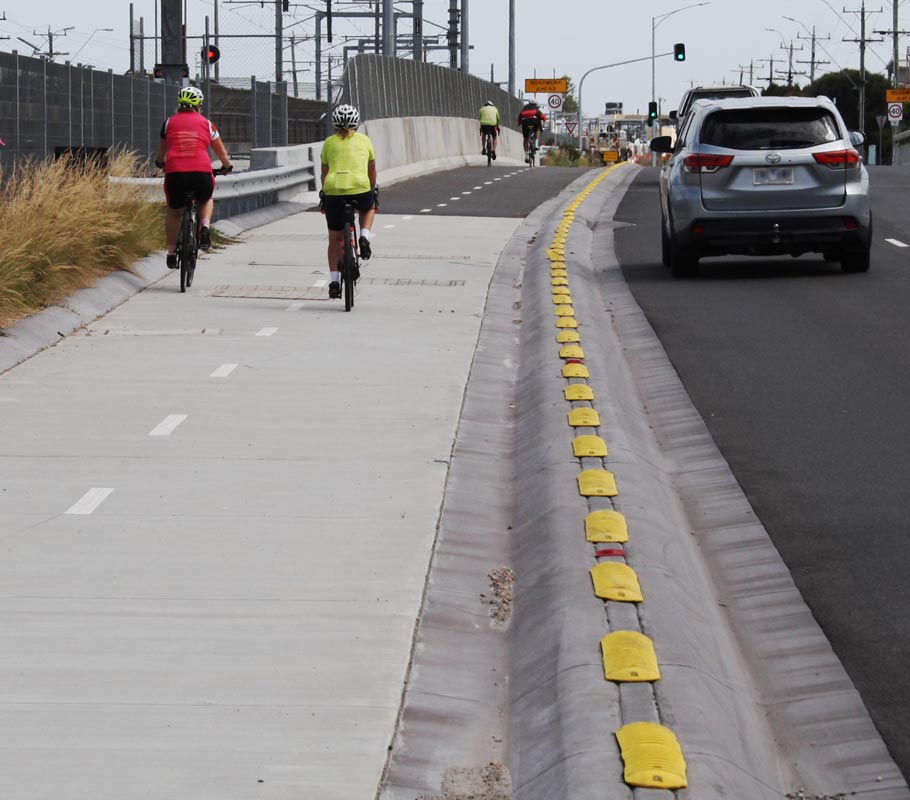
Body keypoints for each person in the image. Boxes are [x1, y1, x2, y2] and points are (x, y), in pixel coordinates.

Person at [155, 86, 232, 268]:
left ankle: (171, 253)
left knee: (174, 212)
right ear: (199, 105)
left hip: (175, 173)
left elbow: (161, 152)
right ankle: (204, 227)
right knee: (206, 198)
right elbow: (221, 153)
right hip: (201, 172)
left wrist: (159, 163)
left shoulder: (168, 123)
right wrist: (226, 167)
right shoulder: (207, 124)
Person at [320, 104, 378, 300]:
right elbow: (372, 171)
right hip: (360, 188)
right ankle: (364, 236)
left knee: (334, 239)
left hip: (334, 191)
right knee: (369, 206)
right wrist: (372, 189)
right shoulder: (365, 141)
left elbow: (324, 173)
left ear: (334, 124)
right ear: (356, 123)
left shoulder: (328, 143)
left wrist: (325, 192)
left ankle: (334, 282)